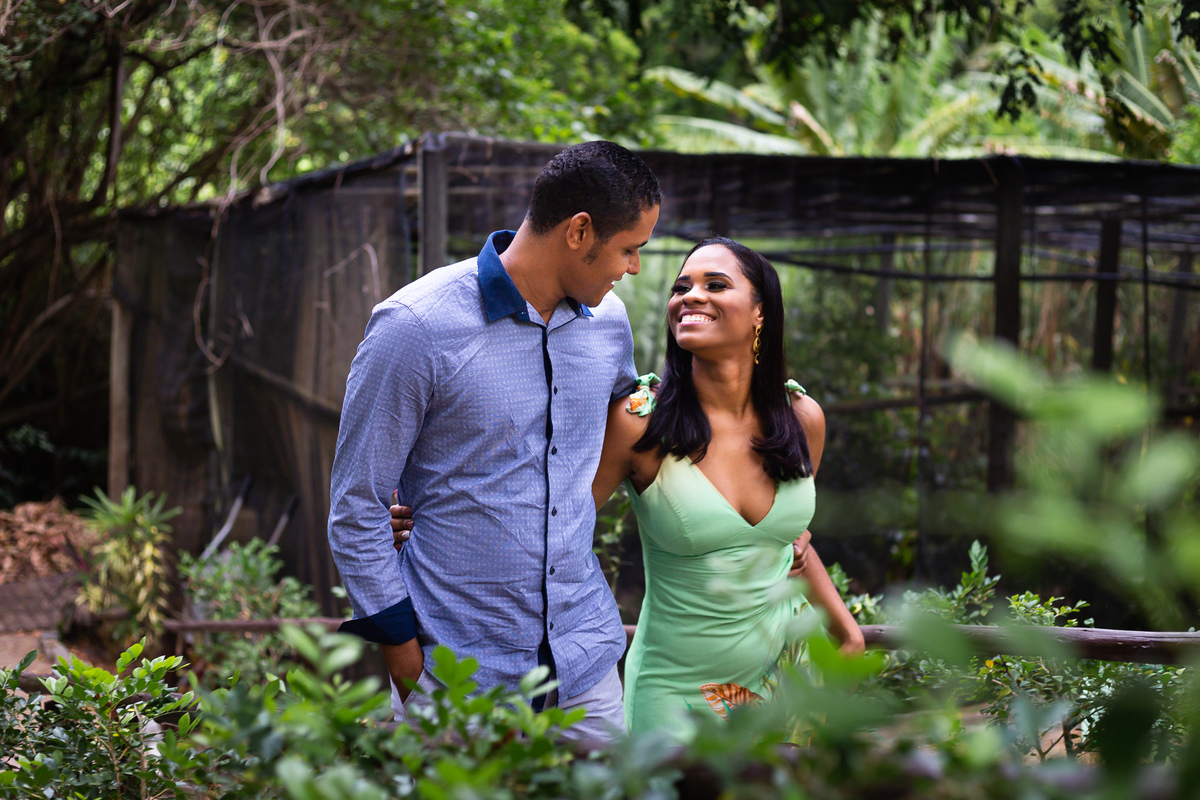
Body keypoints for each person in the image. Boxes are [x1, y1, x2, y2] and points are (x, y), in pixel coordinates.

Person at [327, 141, 662, 745]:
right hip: (457, 675)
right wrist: (408, 664)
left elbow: (634, 418)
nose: (634, 267)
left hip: (585, 666)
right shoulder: (415, 327)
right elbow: (356, 507)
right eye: (629, 248)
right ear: (579, 231)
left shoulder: (609, 324)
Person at [590, 237, 864, 736]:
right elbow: (559, 528)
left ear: (760, 312)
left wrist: (847, 632)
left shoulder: (802, 419)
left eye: (715, 284)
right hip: (673, 692)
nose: (690, 296)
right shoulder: (639, 424)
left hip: (786, 680)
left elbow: (789, 544)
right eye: (681, 288)